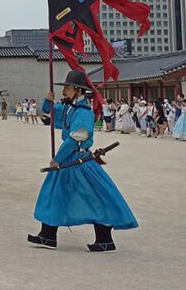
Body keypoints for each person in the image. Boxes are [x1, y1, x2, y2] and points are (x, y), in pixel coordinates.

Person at [28, 70, 137, 252]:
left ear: (78, 91)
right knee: (53, 193)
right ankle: (47, 234)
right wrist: (48, 99)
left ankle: (105, 239)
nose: (65, 91)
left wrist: (57, 159)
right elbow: (48, 112)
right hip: (69, 160)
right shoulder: (70, 108)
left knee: (96, 197)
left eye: (68, 88)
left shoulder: (84, 113)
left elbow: (76, 137)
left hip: (79, 160)